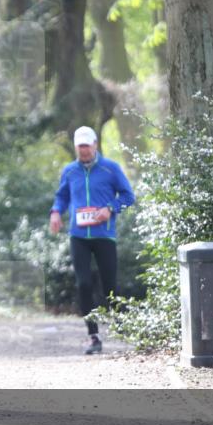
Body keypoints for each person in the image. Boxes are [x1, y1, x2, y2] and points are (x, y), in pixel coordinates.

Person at [50, 126, 135, 355]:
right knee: (83, 284)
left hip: (104, 235)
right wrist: (56, 212)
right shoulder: (70, 171)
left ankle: (121, 327)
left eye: (88, 145)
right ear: (76, 147)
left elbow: (129, 196)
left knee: (109, 286)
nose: (84, 150)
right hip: (79, 236)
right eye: (81, 146)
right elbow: (62, 196)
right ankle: (93, 336)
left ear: (95, 145)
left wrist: (110, 208)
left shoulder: (110, 169)